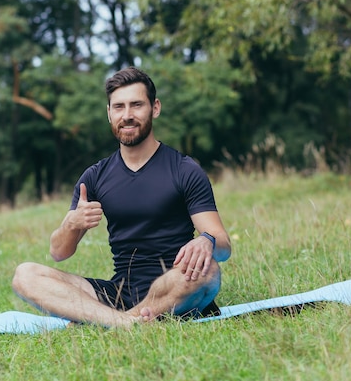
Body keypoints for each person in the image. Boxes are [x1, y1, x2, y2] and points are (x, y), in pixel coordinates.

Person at [12, 66, 231, 327]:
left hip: (175, 282)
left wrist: (206, 241)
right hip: (117, 292)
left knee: (208, 272)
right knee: (25, 275)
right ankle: (126, 322)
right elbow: (58, 252)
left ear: (155, 108)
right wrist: (72, 223)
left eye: (136, 105)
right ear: (109, 113)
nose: (127, 115)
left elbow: (223, 245)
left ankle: (114, 321)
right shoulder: (94, 177)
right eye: (118, 107)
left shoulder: (184, 169)